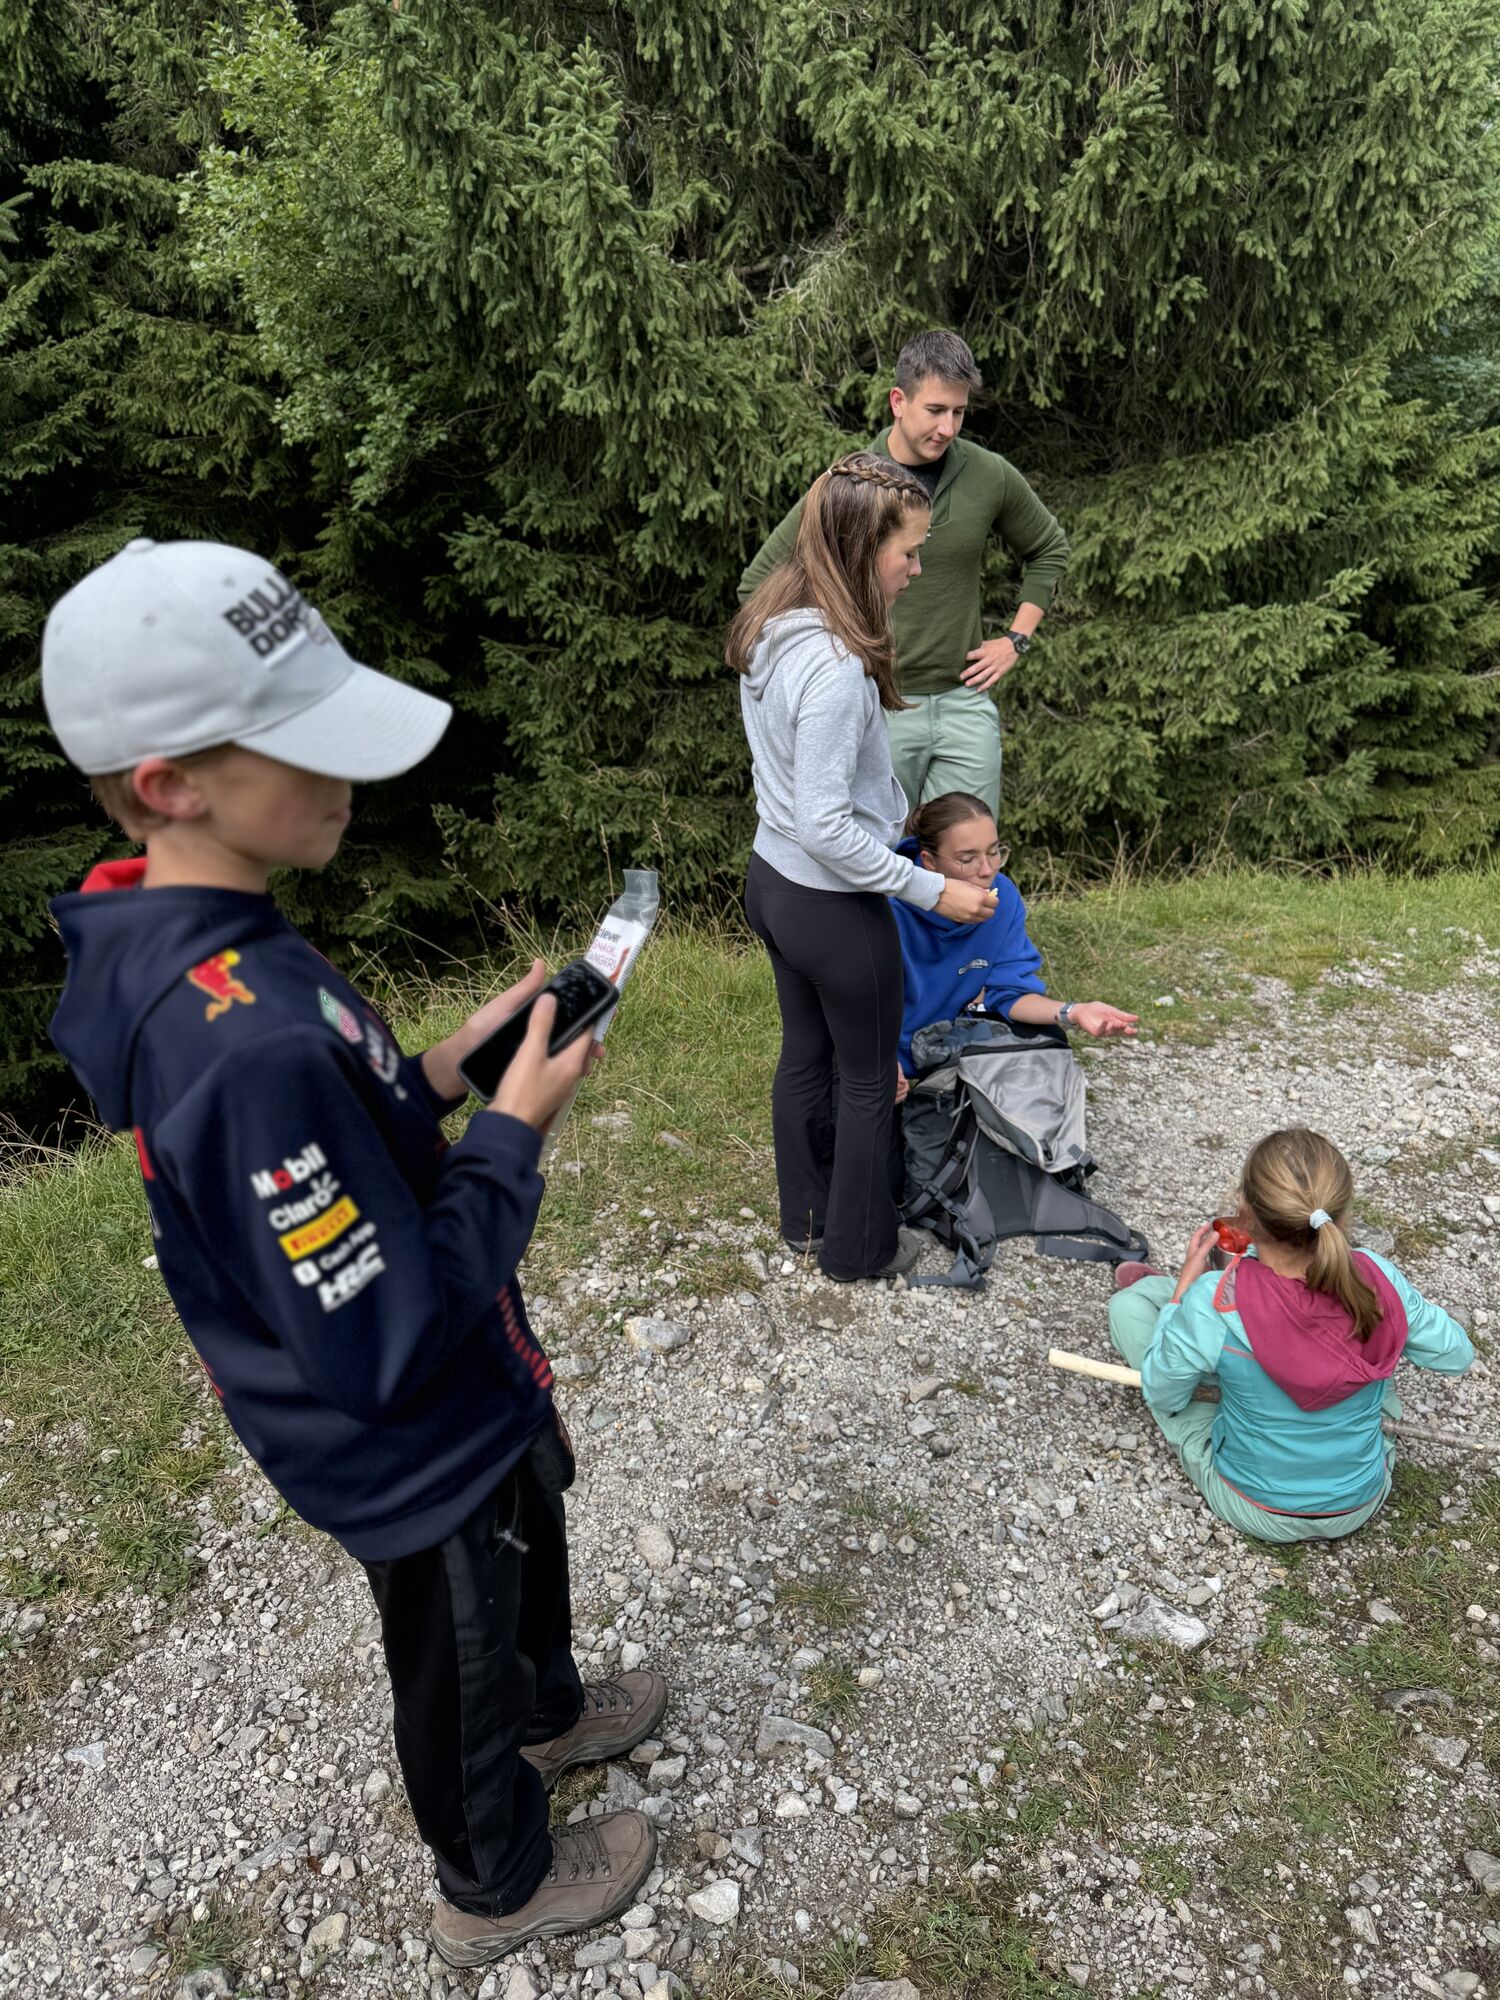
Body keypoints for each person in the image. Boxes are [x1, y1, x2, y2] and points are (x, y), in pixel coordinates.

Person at [40, 539, 666, 1964]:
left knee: (525, 1549)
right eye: (306, 744)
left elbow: (330, 1118)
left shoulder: (221, 934)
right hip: (408, 1439)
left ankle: (552, 1710)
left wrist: (441, 1070)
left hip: (465, 1398)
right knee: (458, 1635)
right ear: (173, 784)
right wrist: (511, 1131)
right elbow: (381, 1342)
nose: (349, 776)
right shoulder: (236, 1042)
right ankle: (494, 1883)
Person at [729, 453, 999, 1281]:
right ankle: (861, 1250)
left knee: (805, 1055)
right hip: (831, 906)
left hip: (772, 885)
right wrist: (931, 889)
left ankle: (807, 1223)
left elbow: (795, 790)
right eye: (907, 552)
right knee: (866, 1079)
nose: (916, 569)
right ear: (859, 551)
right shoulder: (839, 669)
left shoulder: (773, 626)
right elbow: (824, 824)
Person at [738, 329, 1069, 819]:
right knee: (878, 852)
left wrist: (1015, 640)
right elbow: (759, 585)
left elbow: (1049, 549)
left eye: (958, 412)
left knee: (967, 854)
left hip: (965, 702)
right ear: (899, 401)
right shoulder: (850, 488)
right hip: (878, 706)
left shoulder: (989, 474)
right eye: (935, 410)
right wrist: (831, 653)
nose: (948, 427)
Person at [1108, 1127, 1473, 1542]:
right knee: (1379, 1372)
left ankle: (1176, 1311)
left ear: (1245, 1211)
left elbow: (1164, 1394)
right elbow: (1456, 1356)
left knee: (1130, 1309)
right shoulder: (1380, 1277)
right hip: (1360, 1500)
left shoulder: (1215, 1297)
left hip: (1255, 1505)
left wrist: (1183, 1291)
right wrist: (1398, 1306)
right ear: (1340, 1215)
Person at [890, 792, 1138, 1092]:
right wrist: (877, 1059)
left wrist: (1075, 1011)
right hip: (880, 1046)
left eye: (994, 852)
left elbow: (1009, 992)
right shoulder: (888, 906)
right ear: (929, 861)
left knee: (1047, 1038)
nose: (987, 870)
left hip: (948, 1042)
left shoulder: (1003, 896)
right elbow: (852, 1003)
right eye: (968, 859)